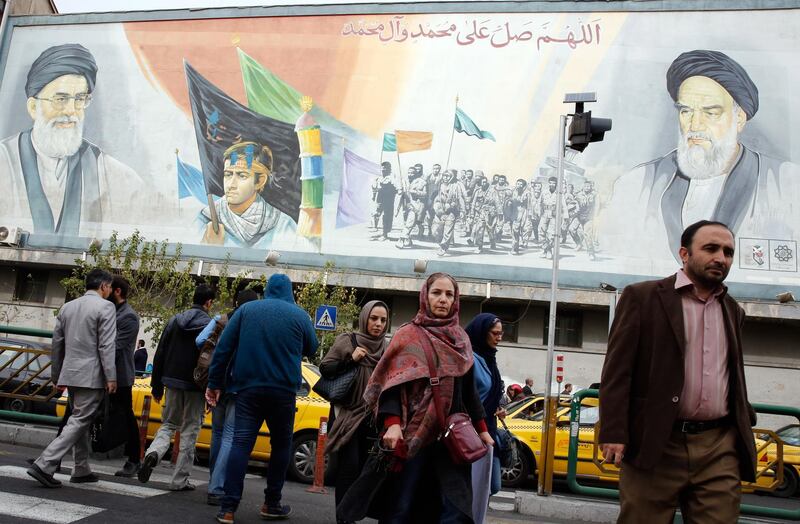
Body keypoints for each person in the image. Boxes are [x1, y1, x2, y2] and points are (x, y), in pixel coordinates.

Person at [599, 220, 757, 523]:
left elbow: (731, 374)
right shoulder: (642, 298)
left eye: (728, 252)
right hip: (656, 442)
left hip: (719, 446)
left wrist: (744, 417)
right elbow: (617, 373)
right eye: (710, 248)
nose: (720, 258)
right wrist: (614, 432)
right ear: (684, 253)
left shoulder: (733, 310)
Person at [601, 49, 800, 263]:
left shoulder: (788, 184)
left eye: (711, 113)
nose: (695, 125)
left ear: (739, 118)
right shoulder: (636, 184)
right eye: (686, 111)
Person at [362, 272, 493, 523]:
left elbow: (468, 392)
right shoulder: (407, 335)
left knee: (453, 508)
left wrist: (483, 430)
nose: (443, 299)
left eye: (449, 294)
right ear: (425, 296)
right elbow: (390, 385)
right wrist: (392, 424)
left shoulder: (461, 340)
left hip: (450, 437)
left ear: (455, 300)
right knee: (401, 505)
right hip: (412, 436)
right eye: (436, 293)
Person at [206, 274, 318, 524]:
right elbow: (312, 347)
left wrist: (214, 384)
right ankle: (271, 503)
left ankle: (228, 507)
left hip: (248, 390)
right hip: (283, 393)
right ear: (290, 292)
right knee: (280, 446)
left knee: (240, 445)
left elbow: (223, 349)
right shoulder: (299, 315)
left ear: (267, 289)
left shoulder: (247, 311)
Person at [0, 44, 141, 238]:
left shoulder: (113, 174)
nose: (71, 111)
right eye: (61, 99)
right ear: (33, 107)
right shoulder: (4, 161)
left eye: (80, 99)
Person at [27, 268, 116, 488]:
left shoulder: (67, 307)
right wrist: (111, 376)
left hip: (71, 372)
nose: (111, 291)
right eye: (110, 287)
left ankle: (81, 468)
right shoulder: (106, 307)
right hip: (92, 374)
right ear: (104, 286)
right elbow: (106, 345)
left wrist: (57, 375)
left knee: (80, 420)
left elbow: (57, 345)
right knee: (80, 420)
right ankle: (45, 463)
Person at [138, 284, 214, 490]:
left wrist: (156, 385)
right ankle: (179, 480)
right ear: (209, 302)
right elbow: (212, 359)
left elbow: (161, 352)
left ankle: (153, 453)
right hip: (195, 386)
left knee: (169, 424)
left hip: (171, 381)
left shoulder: (174, 320)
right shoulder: (210, 325)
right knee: (190, 430)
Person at [321, 300, 389, 524]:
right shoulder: (348, 340)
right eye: (373, 318)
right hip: (347, 415)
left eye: (383, 320)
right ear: (364, 318)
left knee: (366, 471)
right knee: (348, 469)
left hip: (374, 419)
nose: (378, 324)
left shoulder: (387, 348)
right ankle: (344, 519)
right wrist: (352, 360)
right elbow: (326, 368)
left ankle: (357, 513)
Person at [199, 288, 259, 506]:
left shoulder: (221, 319)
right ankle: (216, 488)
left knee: (217, 433)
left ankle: (213, 479)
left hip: (216, 381)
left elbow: (200, 341)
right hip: (235, 385)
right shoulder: (250, 325)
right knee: (230, 435)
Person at [199, 141, 296, 248]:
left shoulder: (283, 225)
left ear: (260, 181)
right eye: (228, 175)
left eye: (242, 176)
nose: (231, 184)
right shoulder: (205, 219)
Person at [465, 313, 507, 518]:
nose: (499, 337)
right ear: (482, 333)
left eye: (501, 333)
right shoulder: (470, 359)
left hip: (489, 427)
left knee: (493, 485)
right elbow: (469, 395)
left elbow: (492, 391)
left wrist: (498, 407)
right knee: (475, 484)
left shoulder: (491, 358)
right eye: (495, 333)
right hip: (471, 430)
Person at [108, 276, 143, 478]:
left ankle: (134, 460)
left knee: (127, 417)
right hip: (102, 373)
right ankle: (53, 459)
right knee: (75, 413)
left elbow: (116, 347)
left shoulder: (128, 316)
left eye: (107, 289)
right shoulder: (111, 311)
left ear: (118, 291)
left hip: (119, 376)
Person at [432, 170, 467, 256]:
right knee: (435, 230)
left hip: (452, 211)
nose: (446, 178)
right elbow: (435, 197)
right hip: (440, 210)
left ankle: (443, 247)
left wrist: (462, 210)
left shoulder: (456, 186)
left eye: (448, 176)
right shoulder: (439, 185)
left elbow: (460, 198)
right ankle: (441, 242)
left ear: (451, 177)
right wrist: (437, 206)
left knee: (448, 230)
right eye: (444, 176)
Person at [372, 161, 397, 240]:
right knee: (376, 214)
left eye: (385, 169)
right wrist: (374, 194)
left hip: (388, 200)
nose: (383, 171)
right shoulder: (378, 178)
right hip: (380, 198)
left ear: (389, 169)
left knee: (386, 217)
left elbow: (397, 188)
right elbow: (374, 189)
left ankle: (384, 234)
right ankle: (375, 227)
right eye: (382, 169)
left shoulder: (392, 177)